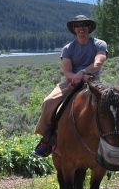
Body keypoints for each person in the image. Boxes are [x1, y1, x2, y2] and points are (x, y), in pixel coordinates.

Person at [33, 15, 108, 157]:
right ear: (74, 29)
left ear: (89, 28)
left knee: (112, 105)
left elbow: (98, 63)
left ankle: (116, 143)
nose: (81, 28)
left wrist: (83, 72)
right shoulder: (68, 48)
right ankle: (47, 138)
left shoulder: (99, 44)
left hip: (93, 82)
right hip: (72, 82)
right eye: (78, 26)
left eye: (84, 25)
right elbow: (67, 71)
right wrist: (78, 77)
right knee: (49, 102)